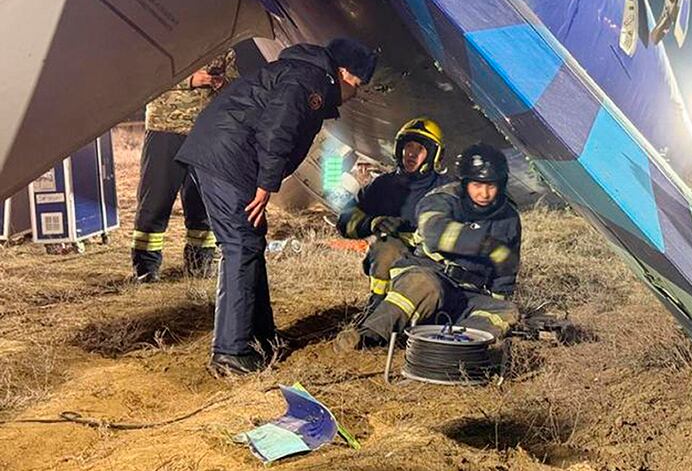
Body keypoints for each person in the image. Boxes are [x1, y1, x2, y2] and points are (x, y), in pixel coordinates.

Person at [176, 38, 377, 376]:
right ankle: (231, 352)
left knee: (251, 242)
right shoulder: (309, 81)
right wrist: (266, 184)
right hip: (228, 158)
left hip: (226, 154)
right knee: (240, 246)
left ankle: (261, 338)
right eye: (357, 83)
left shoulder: (303, 74)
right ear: (343, 73)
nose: (356, 93)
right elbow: (278, 128)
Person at [355, 143, 521, 348]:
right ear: (465, 182)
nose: (484, 194)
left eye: (491, 186)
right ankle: (368, 335)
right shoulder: (441, 199)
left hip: (468, 293)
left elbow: (506, 270)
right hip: (430, 274)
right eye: (477, 185)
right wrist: (485, 244)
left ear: (501, 185)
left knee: (507, 310)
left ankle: (451, 348)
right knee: (424, 284)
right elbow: (434, 233)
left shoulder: (509, 216)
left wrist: (499, 297)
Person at [132, 50, 237, 282]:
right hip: (165, 128)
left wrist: (223, 83)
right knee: (155, 200)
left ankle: (200, 265)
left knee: (202, 202)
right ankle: (146, 269)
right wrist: (190, 80)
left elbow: (235, 82)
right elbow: (146, 75)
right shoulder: (166, 42)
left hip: (205, 132)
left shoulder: (223, 46)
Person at [336, 118, 448, 313]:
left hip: (433, 265)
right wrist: (372, 223)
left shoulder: (447, 190)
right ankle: (377, 305)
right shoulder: (383, 185)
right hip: (391, 260)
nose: (412, 153)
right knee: (386, 249)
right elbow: (345, 220)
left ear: (433, 155)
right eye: (408, 146)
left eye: (420, 149)